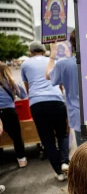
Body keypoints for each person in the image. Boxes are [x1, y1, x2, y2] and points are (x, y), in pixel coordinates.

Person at [21, 42, 69, 181]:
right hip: (56, 100)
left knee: (47, 139)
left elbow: (27, 87)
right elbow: (59, 83)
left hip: (37, 103)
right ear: (44, 51)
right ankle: (65, 162)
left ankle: (58, 172)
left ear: (30, 52)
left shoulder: (25, 64)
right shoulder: (53, 61)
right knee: (62, 134)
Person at [46, 30, 85, 147]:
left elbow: (48, 75)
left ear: (72, 44)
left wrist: (52, 54)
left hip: (79, 117)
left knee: (85, 154)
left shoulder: (64, 64)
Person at [0, 63, 28, 167]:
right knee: (16, 137)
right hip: (9, 112)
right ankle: (21, 160)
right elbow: (23, 95)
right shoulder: (12, 82)